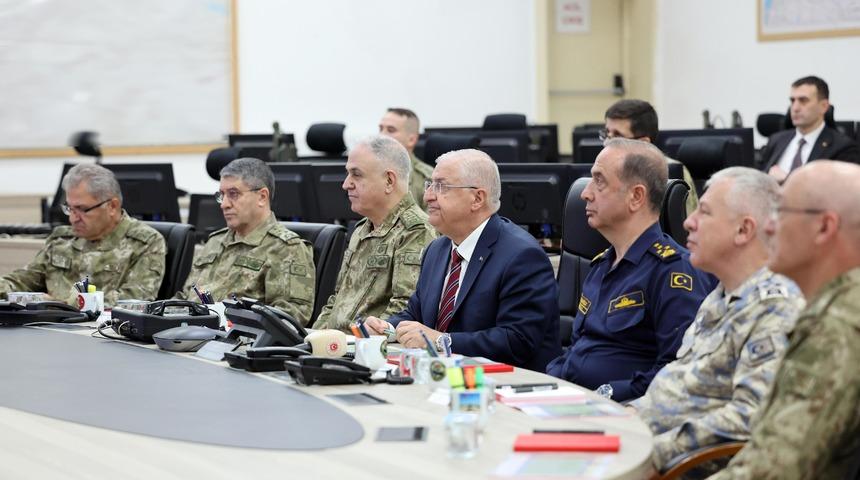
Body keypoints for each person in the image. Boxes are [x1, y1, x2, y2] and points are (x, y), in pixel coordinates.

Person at [629, 167, 804, 475]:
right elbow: (683, 385)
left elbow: (750, 417)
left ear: (743, 230)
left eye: (705, 212)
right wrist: (622, 419)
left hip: (673, 466)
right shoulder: (721, 294)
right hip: (639, 440)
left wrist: (652, 454)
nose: (688, 222)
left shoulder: (775, 307)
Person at [708, 161, 860, 480]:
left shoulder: (836, 327)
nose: (768, 227)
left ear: (824, 227)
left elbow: (772, 470)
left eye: (781, 212)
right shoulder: (837, 305)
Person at [546, 139, 715, 402]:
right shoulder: (600, 266)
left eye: (599, 181)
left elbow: (677, 371)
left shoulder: (672, 271)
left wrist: (607, 394)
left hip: (623, 409)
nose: (585, 193)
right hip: (571, 401)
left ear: (636, 197)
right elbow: (577, 349)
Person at [365, 149, 561, 371]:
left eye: (441, 186)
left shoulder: (522, 256)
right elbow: (416, 314)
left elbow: (517, 340)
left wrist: (441, 341)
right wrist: (387, 328)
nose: (428, 196)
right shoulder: (437, 249)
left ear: (477, 198)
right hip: (441, 376)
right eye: (430, 185)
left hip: (506, 381)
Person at [314, 136, 436, 331]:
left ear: (389, 181)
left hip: (368, 345)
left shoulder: (415, 231)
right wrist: (314, 338)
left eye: (356, 175)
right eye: (348, 174)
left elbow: (404, 310)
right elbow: (336, 301)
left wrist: (352, 340)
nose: (346, 184)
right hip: (338, 343)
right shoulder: (362, 228)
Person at [0, 163, 166, 306]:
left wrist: (59, 305)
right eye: (70, 208)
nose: (73, 218)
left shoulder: (145, 243)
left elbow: (133, 301)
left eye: (82, 209)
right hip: (47, 328)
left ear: (112, 206)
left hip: (103, 331)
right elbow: (21, 280)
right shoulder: (61, 240)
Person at [176, 158, 315, 326]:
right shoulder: (214, 242)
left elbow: (289, 318)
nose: (224, 204)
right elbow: (185, 298)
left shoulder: (286, 248)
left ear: (262, 197)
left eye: (233, 194)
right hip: (188, 333)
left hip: (236, 339)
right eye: (222, 195)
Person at [601, 99, 699, 215]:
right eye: (607, 134)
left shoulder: (671, 171)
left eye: (617, 136)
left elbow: (686, 221)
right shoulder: (602, 168)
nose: (607, 143)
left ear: (643, 143)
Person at [760, 76, 859, 183]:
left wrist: (787, 179)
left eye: (803, 101)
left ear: (824, 106)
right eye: (792, 101)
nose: (795, 108)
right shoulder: (776, 140)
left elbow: (839, 188)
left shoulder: (842, 147)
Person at [379, 108, 435, 209]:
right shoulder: (369, 170)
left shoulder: (428, 178)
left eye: (391, 130)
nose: (382, 135)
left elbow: (432, 218)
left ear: (411, 140)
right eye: (381, 129)